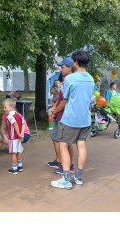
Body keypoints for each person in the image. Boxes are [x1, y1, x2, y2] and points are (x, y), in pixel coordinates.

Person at [50, 50, 94, 190]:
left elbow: (64, 100)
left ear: (75, 62)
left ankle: (66, 179)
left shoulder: (70, 79)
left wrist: (55, 110)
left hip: (70, 119)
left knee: (64, 146)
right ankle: (79, 177)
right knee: (81, 146)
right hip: (85, 119)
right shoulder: (91, 79)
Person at [50, 59, 76, 175]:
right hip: (60, 115)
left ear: (70, 67)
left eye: (63, 67)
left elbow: (65, 101)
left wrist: (56, 110)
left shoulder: (71, 82)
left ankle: (69, 165)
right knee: (55, 137)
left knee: (66, 143)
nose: (61, 69)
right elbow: (60, 98)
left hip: (66, 116)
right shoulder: (65, 81)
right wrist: (54, 107)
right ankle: (60, 160)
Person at [0, 98, 26, 175]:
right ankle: (20, 166)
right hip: (19, 137)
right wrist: (21, 134)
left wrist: (18, 133)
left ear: (11, 107)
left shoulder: (9, 116)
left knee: (13, 153)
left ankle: (14, 168)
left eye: (5, 107)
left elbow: (15, 124)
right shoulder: (19, 114)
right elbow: (23, 123)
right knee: (18, 151)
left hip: (13, 137)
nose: (4, 109)